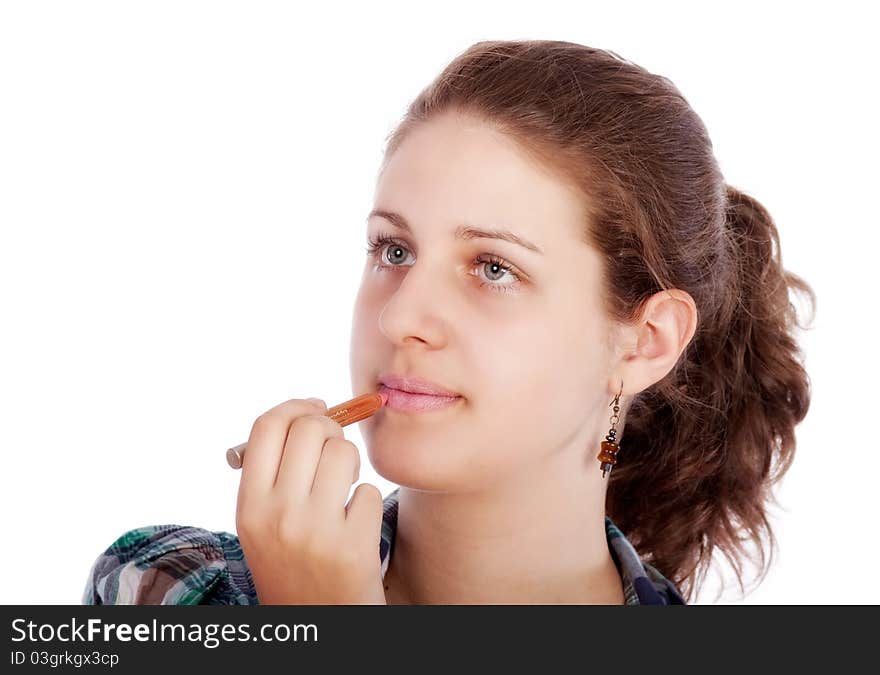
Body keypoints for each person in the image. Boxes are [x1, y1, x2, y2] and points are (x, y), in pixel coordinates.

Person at [82, 39, 815, 606]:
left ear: (646, 340)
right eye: (393, 250)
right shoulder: (165, 590)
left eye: (493, 268)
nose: (401, 316)